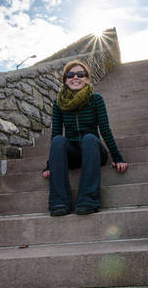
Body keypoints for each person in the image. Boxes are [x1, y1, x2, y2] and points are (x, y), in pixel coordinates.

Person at [41, 60, 128, 216]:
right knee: (58, 140)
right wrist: (50, 165)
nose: (76, 77)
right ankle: (59, 202)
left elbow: (105, 130)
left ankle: (88, 199)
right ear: (65, 80)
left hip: (93, 150)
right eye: (70, 74)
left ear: (87, 79)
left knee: (89, 138)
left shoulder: (96, 99)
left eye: (81, 74)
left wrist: (117, 157)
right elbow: (56, 134)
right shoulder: (58, 103)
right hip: (73, 155)